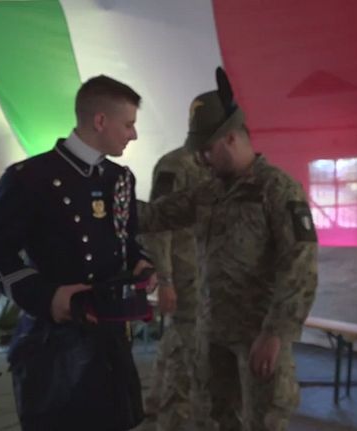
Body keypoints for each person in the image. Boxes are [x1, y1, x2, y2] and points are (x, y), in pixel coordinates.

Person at [138, 69, 318, 431]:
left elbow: (300, 266)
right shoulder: (210, 192)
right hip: (213, 333)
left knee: (263, 421)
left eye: (208, 150)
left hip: (258, 335)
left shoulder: (277, 189)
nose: (203, 160)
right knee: (215, 420)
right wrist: (106, 193)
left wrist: (275, 334)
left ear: (232, 138)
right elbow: (155, 215)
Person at [0, 75, 155, 431]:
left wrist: (139, 262)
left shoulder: (120, 178)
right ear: (100, 120)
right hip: (54, 345)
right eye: (128, 124)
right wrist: (48, 297)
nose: (133, 134)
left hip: (110, 341)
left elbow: (126, 240)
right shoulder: (30, 177)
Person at [140, 119, 210, 430]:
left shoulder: (212, 166)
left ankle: (156, 400)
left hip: (203, 273)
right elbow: (157, 225)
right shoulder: (175, 166)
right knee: (186, 346)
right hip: (185, 275)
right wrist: (166, 279)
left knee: (180, 337)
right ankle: (172, 416)